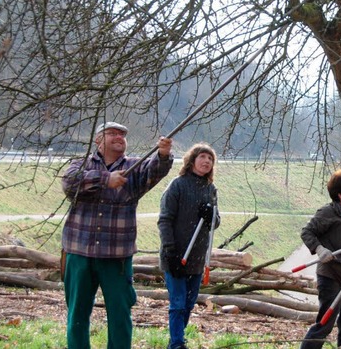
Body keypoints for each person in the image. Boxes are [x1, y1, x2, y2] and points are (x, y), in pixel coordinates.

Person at [61, 121, 174, 349]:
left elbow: (155, 170)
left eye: (122, 134)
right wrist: (106, 180)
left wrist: (163, 155)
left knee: (120, 316)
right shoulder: (80, 163)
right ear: (98, 140)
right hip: (79, 253)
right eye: (112, 133)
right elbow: (69, 183)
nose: (119, 137)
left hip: (117, 259)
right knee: (77, 315)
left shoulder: (135, 168)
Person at [157, 143, 221, 349]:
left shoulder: (211, 190)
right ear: (192, 160)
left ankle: (177, 339)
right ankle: (177, 344)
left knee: (188, 304)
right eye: (203, 157)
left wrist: (211, 215)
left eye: (210, 159)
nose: (206, 161)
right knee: (177, 303)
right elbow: (164, 220)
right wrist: (170, 250)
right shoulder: (178, 185)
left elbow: (215, 222)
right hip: (176, 255)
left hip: (196, 258)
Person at [300, 169, 341, 349]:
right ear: (340, 194)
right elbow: (307, 232)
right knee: (325, 323)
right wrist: (319, 249)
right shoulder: (329, 213)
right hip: (332, 274)